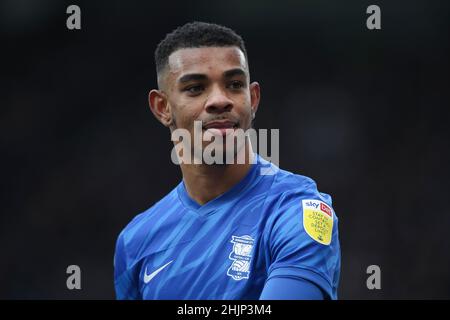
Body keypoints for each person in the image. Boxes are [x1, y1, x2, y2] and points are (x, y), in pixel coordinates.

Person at [114, 21, 340, 300]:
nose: (220, 100)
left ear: (253, 99)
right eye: (196, 88)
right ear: (163, 108)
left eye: (234, 85)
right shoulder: (136, 241)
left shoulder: (297, 211)